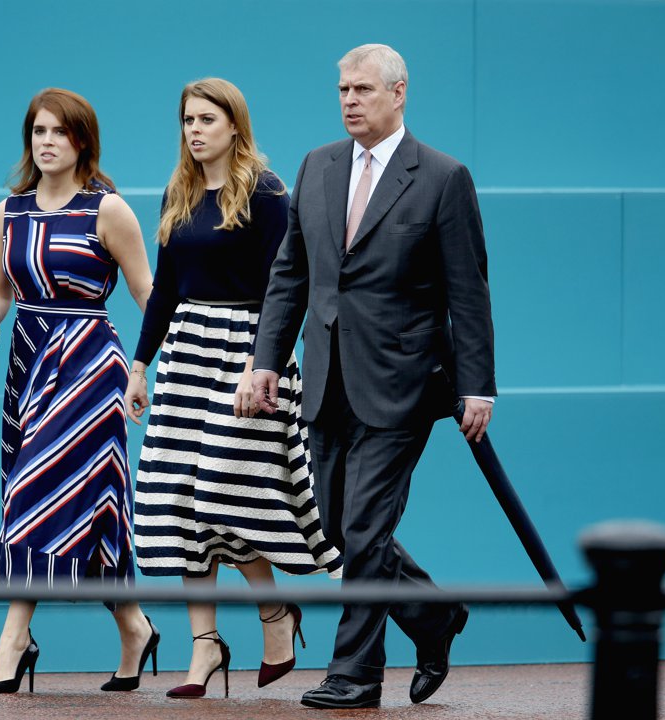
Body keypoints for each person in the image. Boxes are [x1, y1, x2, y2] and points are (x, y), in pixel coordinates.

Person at [253, 44, 497, 709]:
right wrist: (266, 361)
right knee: (336, 526)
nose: (350, 100)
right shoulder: (317, 166)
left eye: (363, 89)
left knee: (363, 528)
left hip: (404, 385)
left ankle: (354, 675)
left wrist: (479, 385)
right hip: (327, 379)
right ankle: (433, 616)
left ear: (399, 93)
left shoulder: (444, 178)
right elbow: (291, 275)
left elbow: (467, 292)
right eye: (342, 90)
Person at [125, 78, 343, 700]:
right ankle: (205, 648)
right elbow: (164, 289)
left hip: (249, 354)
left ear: (234, 125)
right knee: (179, 504)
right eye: (188, 121)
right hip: (188, 352)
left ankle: (275, 613)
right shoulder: (179, 191)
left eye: (207, 120)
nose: (195, 131)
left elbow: (288, 285)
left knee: (224, 492)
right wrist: (141, 366)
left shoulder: (268, 192)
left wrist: (262, 363)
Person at [0, 87, 160, 694]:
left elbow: (148, 295)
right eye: (38, 132)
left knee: (31, 495)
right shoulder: (9, 211)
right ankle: (135, 628)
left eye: (59, 133)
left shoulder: (109, 210)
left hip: (87, 365)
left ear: (82, 142)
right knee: (86, 506)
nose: (46, 142)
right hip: (27, 362)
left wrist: (141, 367)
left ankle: (14, 640)